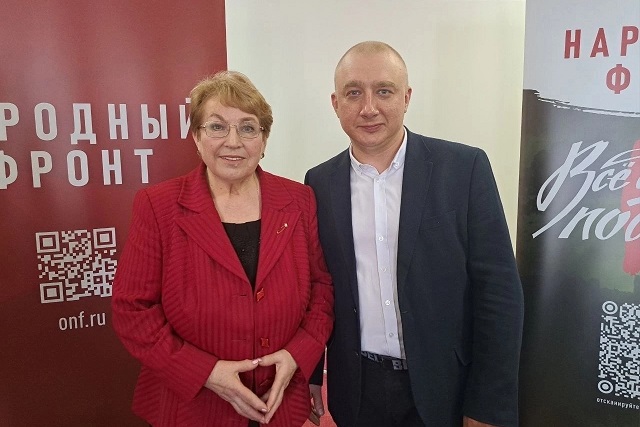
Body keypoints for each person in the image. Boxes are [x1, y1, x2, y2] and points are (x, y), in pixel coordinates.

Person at [305, 41, 524, 427]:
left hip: (447, 388)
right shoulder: (319, 182)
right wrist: (309, 374)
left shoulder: (464, 168)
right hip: (356, 391)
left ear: (406, 98)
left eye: (383, 91)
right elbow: (315, 288)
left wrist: (488, 404)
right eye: (353, 93)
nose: (369, 107)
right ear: (335, 104)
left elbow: (499, 294)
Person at [112, 70, 334, 427]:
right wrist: (205, 372)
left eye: (248, 128)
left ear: (264, 140)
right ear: (197, 137)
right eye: (217, 127)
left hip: (279, 406)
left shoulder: (299, 200)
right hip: (191, 409)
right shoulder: (158, 206)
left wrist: (297, 355)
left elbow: (322, 289)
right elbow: (133, 310)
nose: (233, 141)